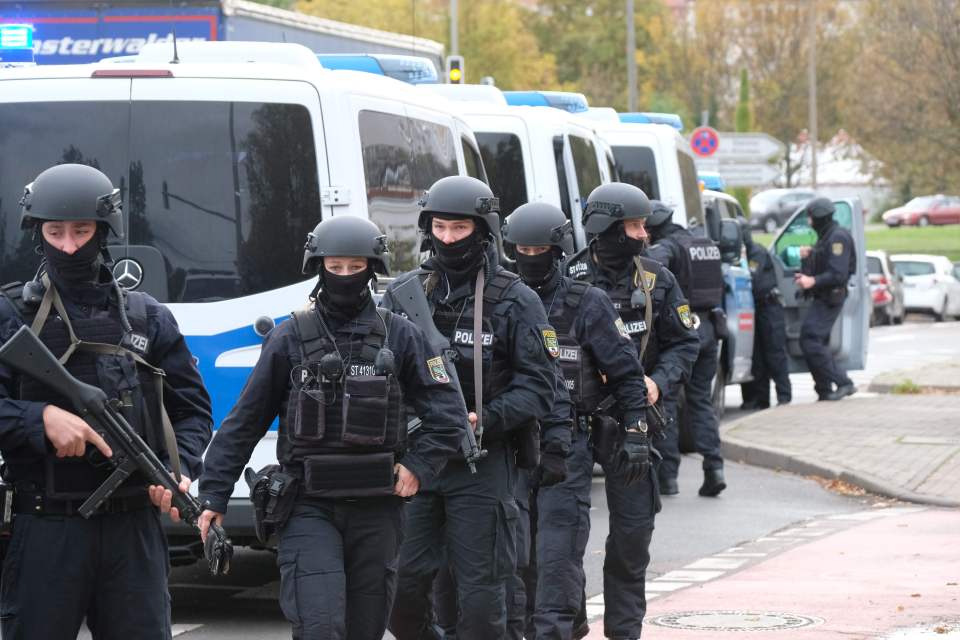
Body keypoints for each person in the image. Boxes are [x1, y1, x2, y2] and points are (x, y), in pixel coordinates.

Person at [196, 215, 465, 640]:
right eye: (334, 267)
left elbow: (447, 416)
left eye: (354, 267)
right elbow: (244, 422)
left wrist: (418, 466)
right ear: (319, 268)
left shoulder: (404, 336)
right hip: (307, 504)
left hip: (378, 505)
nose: (343, 276)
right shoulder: (287, 339)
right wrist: (213, 494)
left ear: (371, 269)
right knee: (320, 627)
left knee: (365, 629)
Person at [0, 163, 213, 639]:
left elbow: (192, 410)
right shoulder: (12, 314)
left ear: (104, 232)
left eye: (82, 231)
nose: (69, 246)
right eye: (56, 232)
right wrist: (40, 419)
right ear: (39, 234)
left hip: (133, 528)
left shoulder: (147, 317)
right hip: (45, 526)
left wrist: (179, 468)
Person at [381, 176, 560, 640]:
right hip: (418, 461)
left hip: (483, 463)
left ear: (483, 231)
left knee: (483, 600)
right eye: (439, 228)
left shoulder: (516, 299)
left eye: (459, 229)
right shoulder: (404, 295)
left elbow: (540, 389)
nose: (447, 239)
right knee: (401, 593)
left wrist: (485, 417)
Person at [502, 201, 649, 640]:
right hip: (511, 442)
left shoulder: (587, 303)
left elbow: (626, 374)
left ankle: (555, 629)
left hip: (569, 443)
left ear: (559, 249)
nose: (530, 258)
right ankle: (555, 622)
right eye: (522, 249)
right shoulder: (499, 300)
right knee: (517, 553)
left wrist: (637, 432)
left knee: (557, 549)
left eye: (539, 249)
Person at [565, 183, 699, 640]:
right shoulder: (567, 276)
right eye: (635, 225)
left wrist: (658, 384)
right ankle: (570, 618)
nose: (643, 234)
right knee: (564, 535)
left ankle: (624, 631)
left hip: (636, 422)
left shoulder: (657, 279)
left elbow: (685, 343)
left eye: (644, 225)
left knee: (633, 534)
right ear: (607, 227)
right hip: (574, 423)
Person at [644, 200, 726, 497]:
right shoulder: (705, 243)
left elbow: (648, 269)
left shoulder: (667, 247)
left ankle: (668, 477)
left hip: (681, 330)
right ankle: (714, 468)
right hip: (710, 328)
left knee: (664, 401)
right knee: (701, 401)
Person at [795, 197, 857, 401]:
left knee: (810, 339)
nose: (810, 222)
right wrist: (807, 258)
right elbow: (823, 262)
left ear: (820, 218)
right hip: (824, 296)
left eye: (811, 218)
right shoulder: (826, 237)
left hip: (830, 297)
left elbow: (838, 274)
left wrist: (812, 281)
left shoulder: (837, 238)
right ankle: (824, 389)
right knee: (815, 341)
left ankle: (843, 382)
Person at [740, 220, 792, 409]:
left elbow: (751, 277)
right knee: (758, 356)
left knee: (774, 354)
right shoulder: (740, 254)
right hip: (754, 309)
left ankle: (784, 396)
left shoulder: (757, 253)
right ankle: (762, 400)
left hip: (769, 308)